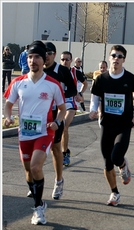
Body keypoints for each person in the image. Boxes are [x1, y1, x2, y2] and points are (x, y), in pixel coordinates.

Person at [3, 40, 66, 224]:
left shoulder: (53, 84)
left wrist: (57, 122)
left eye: (37, 57)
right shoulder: (18, 82)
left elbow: (62, 109)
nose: (33, 60)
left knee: (36, 167)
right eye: (30, 57)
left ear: (43, 59)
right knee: (28, 171)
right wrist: (7, 117)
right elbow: (8, 104)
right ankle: (37, 194)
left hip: (44, 132)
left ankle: (38, 209)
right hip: (24, 133)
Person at [89, 45, 134, 206]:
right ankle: (114, 192)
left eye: (120, 56)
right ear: (109, 57)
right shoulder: (101, 79)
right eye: (114, 56)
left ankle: (123, 165)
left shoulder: (130, 79)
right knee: (107, 163)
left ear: (124, 59)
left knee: (116, 157)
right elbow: (95, 98)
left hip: (124, 124)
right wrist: (93, 111)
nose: (116, 59)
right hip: (107, 124)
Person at [34, 41, 80, 200]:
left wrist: (60, 97)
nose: (46, 56)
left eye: (49, 53)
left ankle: (59, 180)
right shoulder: (37, 71)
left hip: (56, 114)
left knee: (55, 148)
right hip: (39, 115)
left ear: (54, 55)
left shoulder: (61, 71)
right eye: (43, 53)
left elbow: (73, 89)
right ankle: (35, 181)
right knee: (36, 149)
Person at [59, 51, 88, 166]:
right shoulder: (55, 71)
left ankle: (64, 153)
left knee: (64, 126)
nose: (65, 61)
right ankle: (63, 150)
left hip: (70, 102)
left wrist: (79, 93)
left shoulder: (75, 72)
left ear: (71, 61)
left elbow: (85, 84)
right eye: (63, 59)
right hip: (58, 102)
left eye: (67, 59)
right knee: (57, 128)